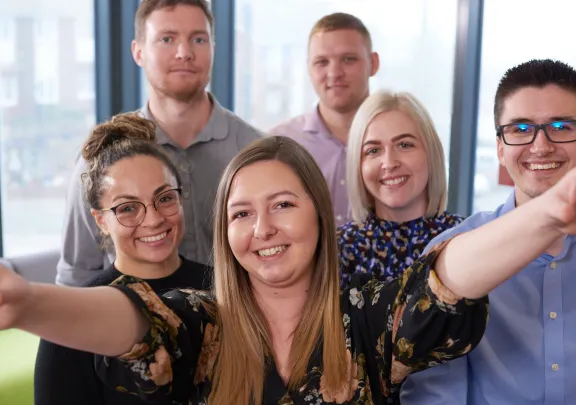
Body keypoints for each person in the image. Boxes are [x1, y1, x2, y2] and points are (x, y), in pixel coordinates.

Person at [20, 133, 576, 403]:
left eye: (283, 205)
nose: (262, 229)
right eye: (242, 213)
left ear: (320, 214)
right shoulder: (203, 320)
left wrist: (551, 212)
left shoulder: (364, 316)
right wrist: (27, 303)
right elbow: (139, 321)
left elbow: (444, 280)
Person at [401, 59, 576, 405]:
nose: (541, 146)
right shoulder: (454, 254)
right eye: (520, 129)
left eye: (561, 126)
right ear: (499, 148)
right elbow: (432, 394)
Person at [57, 0, 262, 287]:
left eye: (198, 39)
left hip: (232, 326)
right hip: (126, 327)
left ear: (213, 48)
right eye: (167, 39)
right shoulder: (103, 158)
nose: (184, 52)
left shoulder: (255, 152)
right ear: (138, 52)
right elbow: (77, 274)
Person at [34, 114, 213, 405]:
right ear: (101, 221)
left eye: (165, 198)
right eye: (128, 208)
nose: (153, 220)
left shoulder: (227, 287)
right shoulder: (72, 317)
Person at [338, 90, 463, 289]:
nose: (389, 163)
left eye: (404, 145)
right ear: (358, 165)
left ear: (431, 154)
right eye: (373, 150)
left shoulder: (464, 239)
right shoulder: (337, 250)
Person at [270, 12, 379, 226]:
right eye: (322, 62)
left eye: (348, 59)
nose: (334, 72)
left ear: (373, 63)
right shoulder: (278, 144)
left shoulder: (399, 142)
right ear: (309, 68)